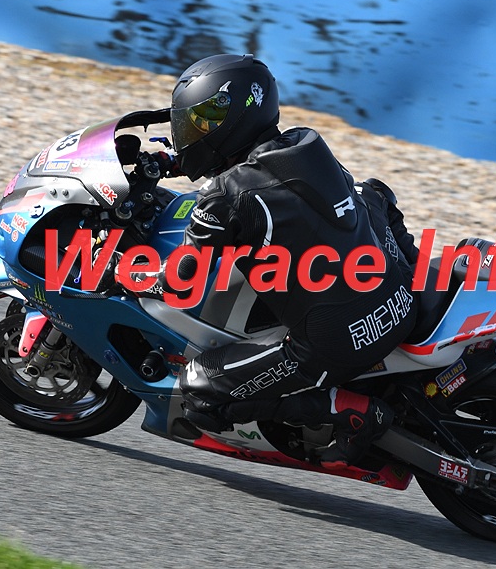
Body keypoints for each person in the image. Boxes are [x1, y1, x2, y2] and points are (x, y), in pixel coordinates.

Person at [162, 54, 420, 468]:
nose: (188, 135)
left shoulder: (226, 196)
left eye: (199, 124)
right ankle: (421, 273)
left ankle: (352, 411)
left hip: (336, 343)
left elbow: (180, 280)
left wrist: (122, 272)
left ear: (230, 121)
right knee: (368, 191)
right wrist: (171, 163)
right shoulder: (306, 143)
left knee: (196, 388)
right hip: (400, 301)